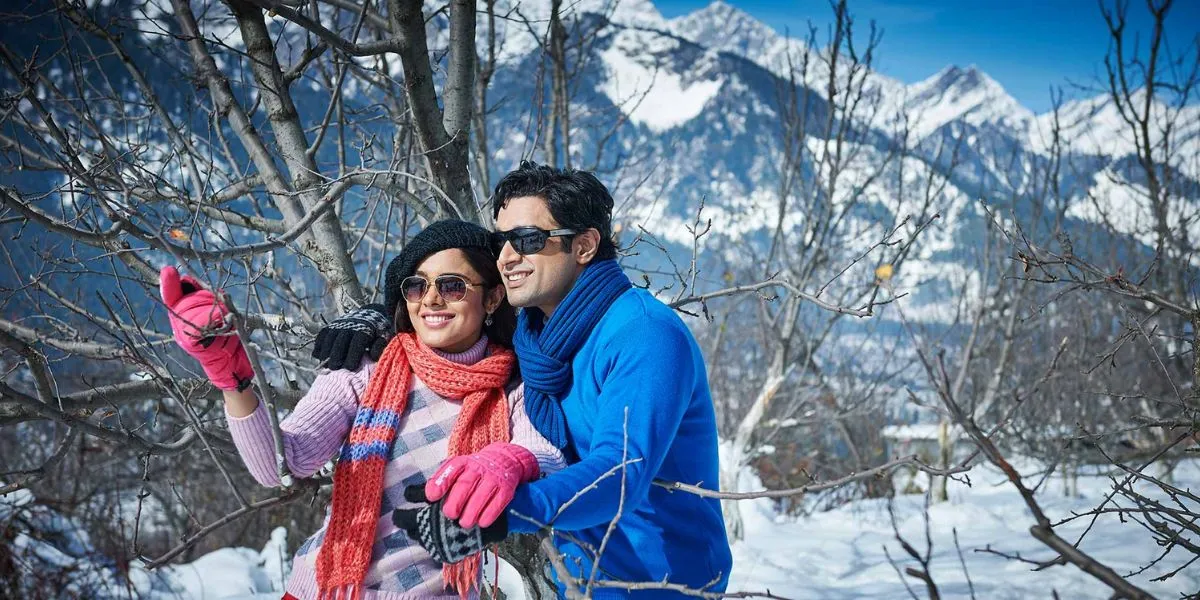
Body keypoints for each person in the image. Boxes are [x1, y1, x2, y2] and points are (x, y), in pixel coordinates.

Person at [320, 163, 732, 597]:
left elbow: (621, 472)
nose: (506, 257)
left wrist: (501, 513)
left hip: (663, 585)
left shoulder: (643, 334)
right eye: (501, 241)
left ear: (584, 246)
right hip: (575, 579)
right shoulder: (536, 339)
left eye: (528, 240)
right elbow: (458, 320)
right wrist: (381, 319)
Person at [160, 219, 565, 600]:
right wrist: (232, 376)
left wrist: (506, 462)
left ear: (492, 297)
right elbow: (281, 463)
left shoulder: (513, 389)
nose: (431, 299)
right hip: (327, 588)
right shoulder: (368, 370)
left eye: (452, 286)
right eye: (416, 286)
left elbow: (545, 456)